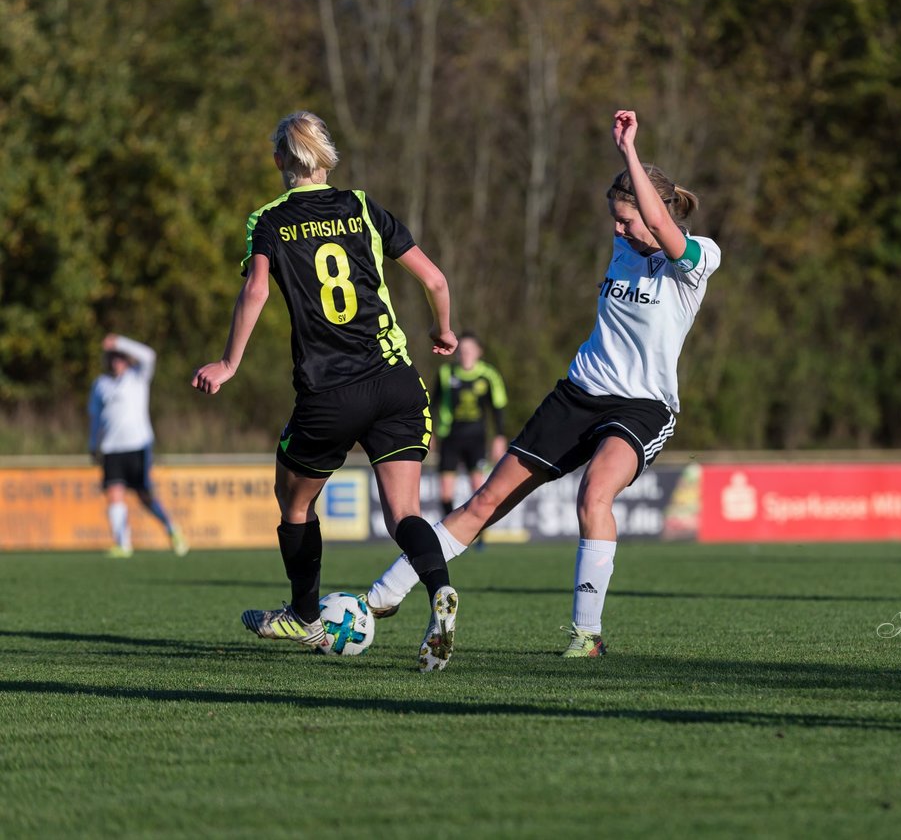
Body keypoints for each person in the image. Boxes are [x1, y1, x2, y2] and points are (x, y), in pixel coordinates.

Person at [367, 109, 721, 658]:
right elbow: (645, 227)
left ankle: (586, 635)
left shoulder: (698, 259)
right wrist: (628, 190)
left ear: (656, 213)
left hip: (644, 406)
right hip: (578, 392)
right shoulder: (623, 247)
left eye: (626, 220)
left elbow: (670, 238)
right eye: (615, 220)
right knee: (485, 501)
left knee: (594, 492)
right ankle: (378, 599)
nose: (617, 230)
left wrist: (629, 153)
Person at [192, 111, 461, 671]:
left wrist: (228, 362)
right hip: (395, 381)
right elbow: (435, 280)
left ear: (278, 162)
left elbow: (257, 291)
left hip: (330, 392)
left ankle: (304, 614)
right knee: (405, 514)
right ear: (326, 158)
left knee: (293, 501)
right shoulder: (362, 206)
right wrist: (444, 330)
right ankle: (439, 591)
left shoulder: (269, 221)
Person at [89, 334, 188, 558]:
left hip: (137, 445)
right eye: (113, 357)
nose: (116, 361)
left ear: (127, 359)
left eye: (120, 357)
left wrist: (119, 342)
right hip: (111, 448)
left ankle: (172, 528)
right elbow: (95, 418)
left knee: (145, 496)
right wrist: (93, 445)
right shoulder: (100, 385)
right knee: (114, 494)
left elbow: (149, 355)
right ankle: (122, 544)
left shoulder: (137, 377)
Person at [433, 332, 508, 543]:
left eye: (469, 350)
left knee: (478, 487)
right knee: (446, 491)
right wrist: (429, 432)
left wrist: (499, 437)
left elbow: (498, 408)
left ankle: (478, 535)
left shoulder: (488, 375)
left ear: (478, 352)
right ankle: (447, 535)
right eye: (462, 351)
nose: (465, 354)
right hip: (450, 437)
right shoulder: (446, 373)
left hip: (476, 438)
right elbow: (434, 404)